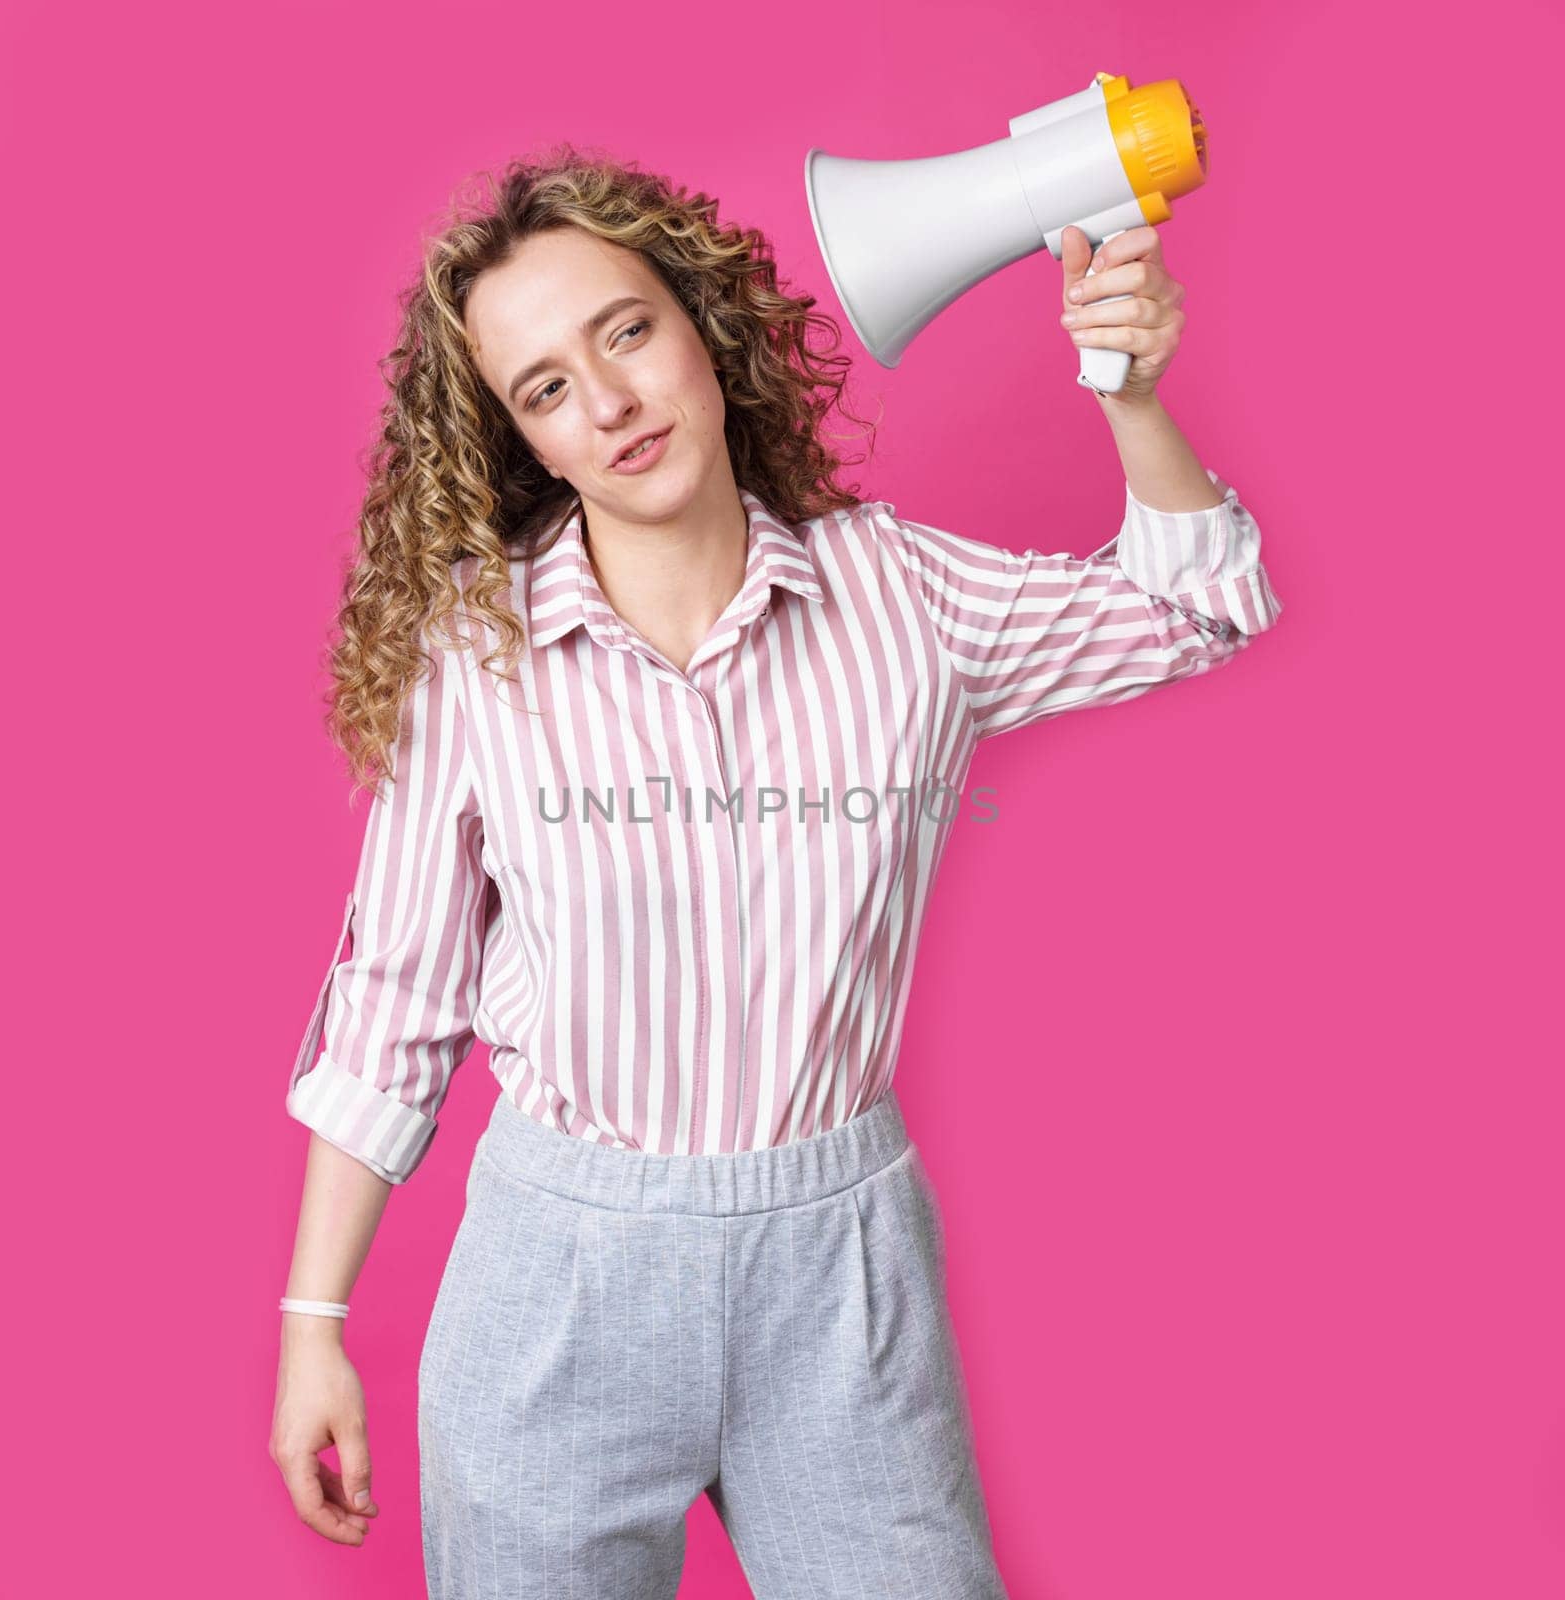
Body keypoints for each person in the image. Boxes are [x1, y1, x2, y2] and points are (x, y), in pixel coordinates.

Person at [269, 142, 1284, 1598]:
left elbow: (1199, 609)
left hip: (844, 1279)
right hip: (557, 1291)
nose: (610, 402)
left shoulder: (904, 597)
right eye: (546, 387)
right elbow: (394, 1005)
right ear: (522, 442)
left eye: (626, 332)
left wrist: (1126, 392)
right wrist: (315, 1319)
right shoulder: (478, 664)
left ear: (702, 325)